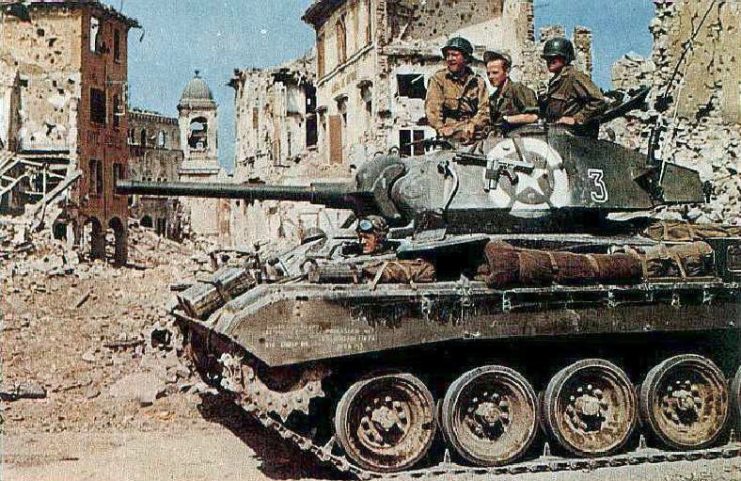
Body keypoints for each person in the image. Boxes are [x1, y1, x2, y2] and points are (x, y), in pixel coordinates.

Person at [425, 37, 489, 144]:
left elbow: (484, 110)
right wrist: (441, 128)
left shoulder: (478, 82)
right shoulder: (438, 79)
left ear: (466, 58)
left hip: (474, 135)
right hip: (449, 136)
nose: (450, 59)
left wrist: (473, 124)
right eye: (447, 55)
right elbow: (433, 110)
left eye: (454, 55)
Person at [540, 37, 608, 138]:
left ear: (565, 58)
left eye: (554, 58)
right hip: (557, 136)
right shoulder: (555, 82)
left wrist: (576, 119)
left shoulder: (574, 77)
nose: (549, 61)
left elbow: (598, 101)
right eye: (547, 58)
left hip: (575, 137)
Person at [484, 50, 539, 136]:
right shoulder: (493, 98)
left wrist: (508, 119)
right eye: (488, 73)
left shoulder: (518, 89)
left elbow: (533, 117)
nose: (490, 77)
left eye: (495, 73)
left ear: (507, 72)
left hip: (520, 140)